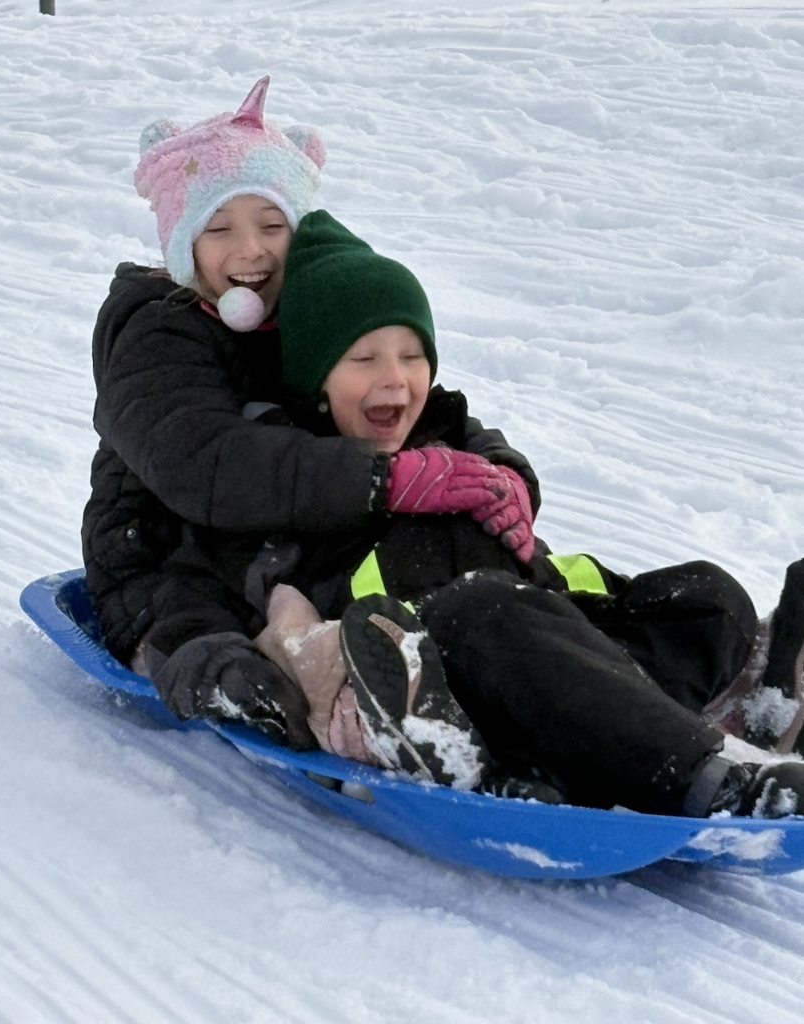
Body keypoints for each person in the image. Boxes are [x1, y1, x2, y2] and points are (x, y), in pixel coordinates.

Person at [207, 208, 804, 821]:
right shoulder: (300, 478)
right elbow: (274, 610)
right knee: (485, 606)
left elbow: (539, 565)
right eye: (364, 360)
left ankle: (658, 737)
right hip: (445, 676)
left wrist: (611, 596)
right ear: (317, 382)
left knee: (708, 592)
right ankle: (707, 781)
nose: (396, 379)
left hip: (546, 637)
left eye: (413, 356)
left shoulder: (455, 443)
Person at [81, 77, 542, 751]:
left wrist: (496, 474)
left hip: (273, 544)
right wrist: (385, 478)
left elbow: (417, 405)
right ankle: (241, 686)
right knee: (204, 626)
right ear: (183, 241)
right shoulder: (154, 333)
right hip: (164, 550)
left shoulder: (301, 312)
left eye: (272, 226)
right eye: (220, 229)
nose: (252, 251)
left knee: (400, 570)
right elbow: (204, 463)